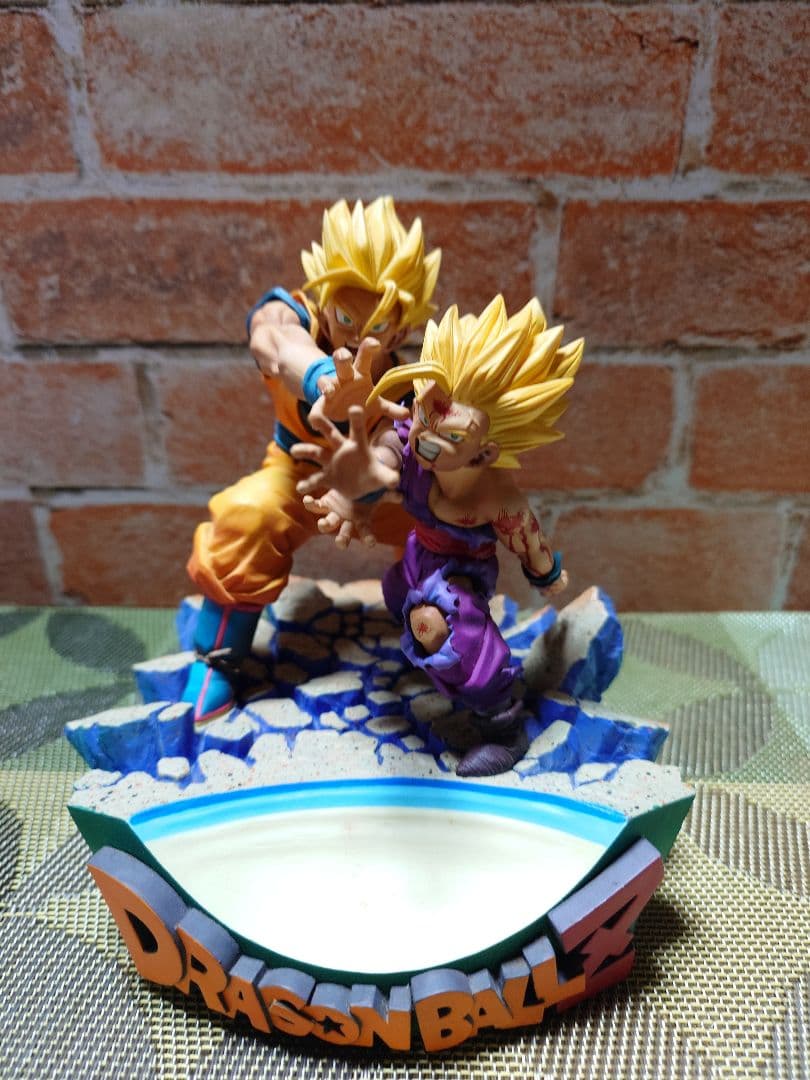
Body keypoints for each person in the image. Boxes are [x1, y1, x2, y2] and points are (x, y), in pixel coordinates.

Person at [294, 295, 583, 776]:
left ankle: (502, 724)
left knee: (436, 622)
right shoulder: (409, 437)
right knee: (397, 594)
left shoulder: (495, 497)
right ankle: (432, 661)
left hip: (463, 572)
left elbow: (528, 540)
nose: (423, 436)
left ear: (485, 453)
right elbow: (383, 458)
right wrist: (353, 487)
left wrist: (547, 573)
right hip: (417, 555)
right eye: (424, 416)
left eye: (450, 436)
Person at [183, 197, 441, 721]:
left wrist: (367, 481)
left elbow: (402, 446)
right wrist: (322, 376)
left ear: (401, 330)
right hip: (295, 472)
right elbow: (272, 338)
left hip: (373, 494)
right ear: (324, 299)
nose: (359, 336)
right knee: (247, 517)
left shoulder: (406, 382)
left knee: (440, 531)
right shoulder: (294, 311)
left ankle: (449, 651)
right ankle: (218, 657)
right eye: (346, 317)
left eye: (379, 328)